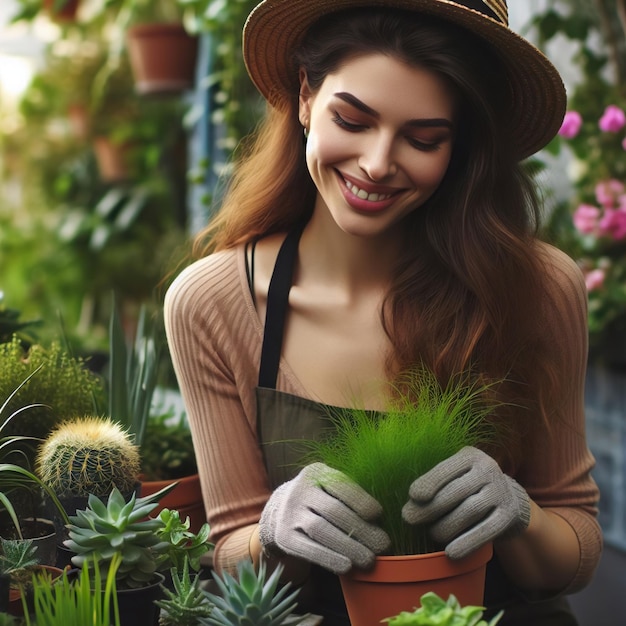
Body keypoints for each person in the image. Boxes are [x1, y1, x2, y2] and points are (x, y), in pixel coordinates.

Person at [164, 1, 602, 624]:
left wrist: (521, 516)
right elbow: (229, 550)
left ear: (461, 148)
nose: (377, 163)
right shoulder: (212, 301)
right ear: (307, 96)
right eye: (353, 119)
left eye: (423, 139)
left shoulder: (539, 289)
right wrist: (272, 530)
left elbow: (575, 552)